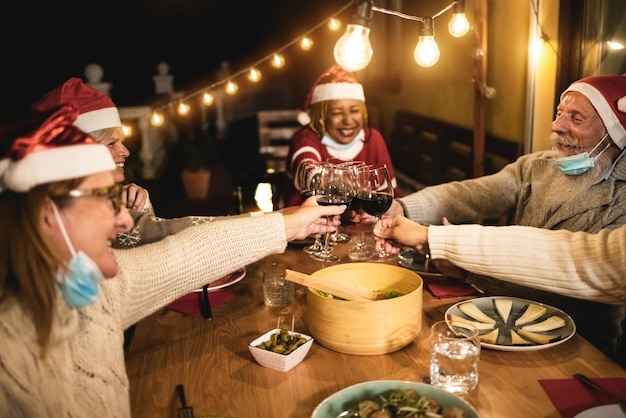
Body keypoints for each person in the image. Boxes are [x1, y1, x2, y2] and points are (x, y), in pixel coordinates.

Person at [0, 104, 345, 416]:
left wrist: (292, 222)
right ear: (48, 215)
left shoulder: (96, 291)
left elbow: (190, 252)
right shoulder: (10, 356)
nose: (123, 221)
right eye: (104, 198)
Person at [368, 73, 626, 367]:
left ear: (613, 132)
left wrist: (465, 266)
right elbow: (471, 194)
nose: (557, 126)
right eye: (559, 113)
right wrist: (404, 208)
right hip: (502, 323)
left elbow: (575, 274)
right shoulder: (538, 166)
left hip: (581, 348)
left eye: (576, 119)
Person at [32, 77, 233, 249]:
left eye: (122, 142)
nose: (126, 151)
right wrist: (258, 223)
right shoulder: (63, 209)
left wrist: (142, 207)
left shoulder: (103, 198)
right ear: (77, 153)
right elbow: (160, 243)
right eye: (111, 143)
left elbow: (144, 249)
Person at [282, 64, 400, 207]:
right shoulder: (305, 138)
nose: (348, 121)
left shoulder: (374, 138)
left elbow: (390, 194)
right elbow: (310, 172)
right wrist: (351, 185)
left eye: (354, 110)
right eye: (337, 113)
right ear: (322, 116)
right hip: (306, 226)